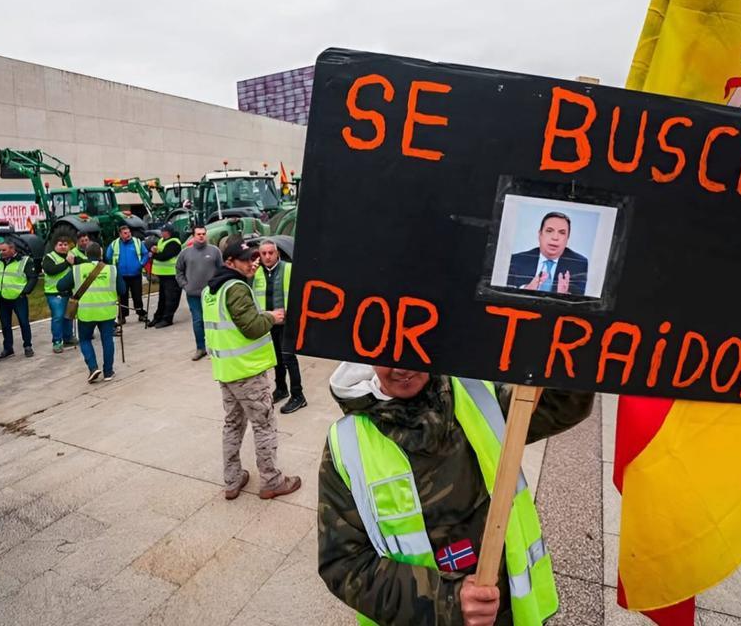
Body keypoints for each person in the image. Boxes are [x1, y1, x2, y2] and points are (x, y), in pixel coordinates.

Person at [318, 364, 596, 625]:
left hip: (508, 607)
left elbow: (560, 405)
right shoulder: (346, 445)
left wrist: (567, 351)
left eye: (411, 347)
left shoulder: (477, 392)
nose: (401, 366)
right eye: (385, 352)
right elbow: (343, 565)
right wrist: (446, 600)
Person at [202, 236, 301, 501]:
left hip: (226, 371)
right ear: (230, 262)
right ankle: (271, 480)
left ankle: (232, 480)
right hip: (247, 372)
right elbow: (251, 327)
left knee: (233, 424)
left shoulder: (211, 290)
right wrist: (271, 316)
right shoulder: (235, 287)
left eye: (254, 259)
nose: (253, 264)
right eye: (247, 260)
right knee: (264, 424)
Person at [56, 242, 125, 383]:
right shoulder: (112, 269)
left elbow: (60, 285)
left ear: (86, 254)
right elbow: (122, 290)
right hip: (107, 312)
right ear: (101, 254)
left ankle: (93, 368)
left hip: (86, 313)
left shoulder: (77, 269)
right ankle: (108, 372)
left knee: (85, 340)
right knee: (107, 340)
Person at [253, 239, 305, 413]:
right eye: (264, 253)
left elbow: (300, 293)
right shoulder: (258, 273)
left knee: (289, 358)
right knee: (276, 359)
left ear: (277, 254)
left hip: (287, 323)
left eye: (271, 252)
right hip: (269, 323)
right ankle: (281, 388)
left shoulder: (288, 269)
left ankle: (298, 395)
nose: (267, 256)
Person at [507, 211, 588, 296]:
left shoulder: (579, 264)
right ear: (540, 234)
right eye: (549, 231)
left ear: (567, 238)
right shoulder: (516, 260)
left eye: (562, 233)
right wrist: (525, 290)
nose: (555, 237)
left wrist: (566, 296)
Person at [174, 225, 222, 360]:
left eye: (203, 234)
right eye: (198, 234)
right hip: (193, 294)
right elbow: (178, 271)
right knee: (198, 321)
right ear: (193, 236)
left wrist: (218, 285)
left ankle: (215, 347)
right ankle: (200, 348)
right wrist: (185, 285)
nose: (201, 236)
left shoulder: (215, 251)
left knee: (213, 321)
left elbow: (221, 269)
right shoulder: (185, 253)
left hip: (212, 294)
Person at [0, 240, 37, 358]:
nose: (1, 253)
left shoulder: (24, 261)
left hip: (18, 298)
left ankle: (27, 346)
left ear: (13, 249)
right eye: (0, 250)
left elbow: (32, 278)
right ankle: (8, 348)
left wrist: (24, 292)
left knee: (23, 322)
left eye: (4, 250)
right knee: (5, 325)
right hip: (1, 298)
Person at [105, 224, 150, 324]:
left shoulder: (137, 242)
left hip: (136, 275)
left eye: (129, 232)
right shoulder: (114, 244)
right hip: (121, 276)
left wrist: (141, 264)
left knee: (137, 296)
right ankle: (122, 316)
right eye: (125, 233)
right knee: (122, 297)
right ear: (120, 234)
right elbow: (108, 257)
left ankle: (141, 314)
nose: (128, 234)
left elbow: (145, 254)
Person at [42, 235, 80, 353]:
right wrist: (67, 263)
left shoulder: (71, 257)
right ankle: (57, 341)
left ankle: (68, 337)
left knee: (68, 316)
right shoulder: (49, 257)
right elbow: (51, 270)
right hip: (54, 293)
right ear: (55, 246)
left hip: (68, 292)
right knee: (58, 317)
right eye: (60, 245)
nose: (63, 247)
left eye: (65, 245)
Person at [147, 226, 183, 328]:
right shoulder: (162, 240)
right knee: (162, 298)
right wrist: (156, 249)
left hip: (171, 275)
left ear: (168, 233)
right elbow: (161, 251)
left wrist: (154, 254)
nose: (161, 233)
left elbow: (164, 256)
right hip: (163, 275)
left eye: (163, 231)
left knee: (170, 298)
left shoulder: (174, 243)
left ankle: (167, 319)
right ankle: (158, 317)